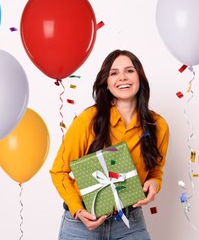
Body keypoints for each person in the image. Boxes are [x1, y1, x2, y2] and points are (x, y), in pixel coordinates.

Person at [50, 49, 169, 239]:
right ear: (106, 82)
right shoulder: (88, 120)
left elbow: (156, 171)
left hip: (130, 221)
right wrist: (78, 210)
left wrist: (154, 184)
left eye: (129, 71)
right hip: (82, 223)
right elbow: (58, 171)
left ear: (140, 77)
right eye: (114, 73)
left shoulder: (158, 126)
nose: (122, 77)